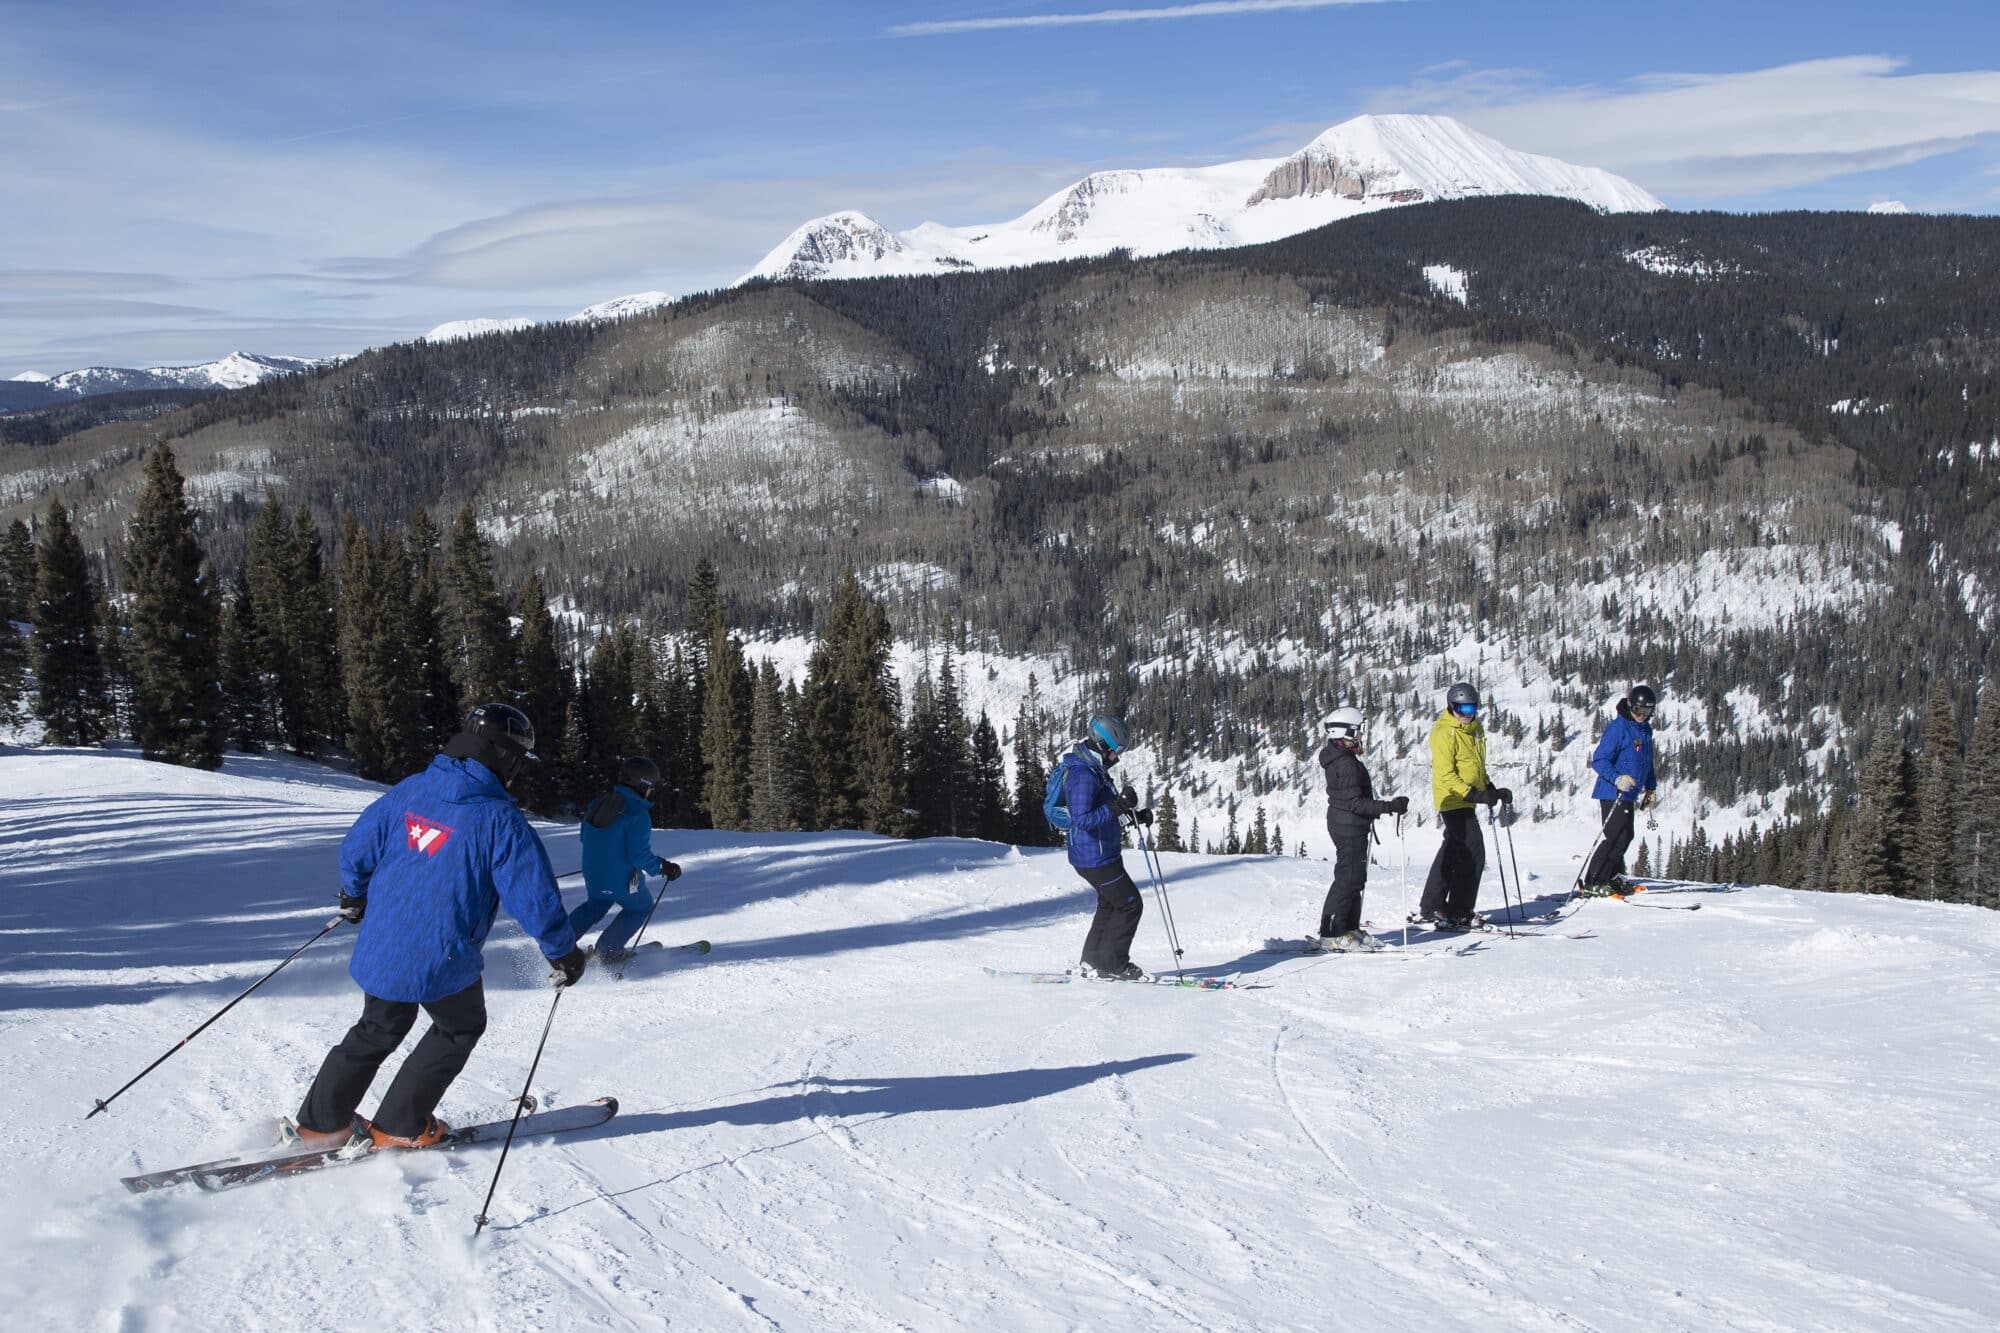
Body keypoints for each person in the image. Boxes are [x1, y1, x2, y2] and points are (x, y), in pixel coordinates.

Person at [288, 703, 585, 1151]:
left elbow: (357, 848)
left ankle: (320, 1125)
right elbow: (535, 897)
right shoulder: (498, 819)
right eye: (518, 759)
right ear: (502, 756)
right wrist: (563, 951)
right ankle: (398, 1127)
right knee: (459, 1028)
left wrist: (354, 894)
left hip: (383, 942)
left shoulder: (411, 791)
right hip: (441, 954)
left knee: (377, 1027)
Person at [1055, 713, 1153, 980]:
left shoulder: (1095, 769)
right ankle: (1113, 963)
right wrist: (1117, 806)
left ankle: (1092, 962)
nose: (1118, 756)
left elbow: (1104, 813)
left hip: (1099, 853)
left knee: (1110, 904)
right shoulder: (1083, 774)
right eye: (1117, 750)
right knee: (1130, 904)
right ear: (1103, 744)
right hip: (1094, 858)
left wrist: (1134, 816)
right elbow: (1083, 819)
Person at [1416, 683, 1513, 931]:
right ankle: (1459, 911)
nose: (1466, 713)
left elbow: (1476, 765)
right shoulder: (1444, 734)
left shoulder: (1473, 730)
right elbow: (1446, 775)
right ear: (1451, 707)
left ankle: (1432, 905)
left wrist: (1489, 787)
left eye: (1471, 707)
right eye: (1461, 708)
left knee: (1452, 849)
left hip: (1467, 798)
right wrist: (1475, 795)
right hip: (1452, 799)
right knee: (1473, 852)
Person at [568, 756, 683, 963]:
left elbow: (585, 837)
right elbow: (639, 857)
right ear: (644, 785)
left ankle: (560, 944)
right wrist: (664, 867)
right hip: (622, 880)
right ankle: (608, 950)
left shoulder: (597, 803)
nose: (652, 792)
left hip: (593, 874)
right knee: (641, 907)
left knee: (595, 905)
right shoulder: (638, 814)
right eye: (652, 787)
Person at [1315, 706, 1409, 950]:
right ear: (1345, 733)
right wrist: (1389, 806)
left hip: (1350, 824)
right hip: (1348, 825)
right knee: (1347, 879)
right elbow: (1356, 803)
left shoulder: (1343, 759)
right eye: (1357, 732)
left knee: (1356, 879)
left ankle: (1349, 926)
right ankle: (1332, 933)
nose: (1359, 738)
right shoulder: (1345, 764)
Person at [1578, 685, 1660, 895]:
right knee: (1614, 836)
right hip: (1612, 792)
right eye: (1638, 711)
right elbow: (1599, 760)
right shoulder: (1618, 728)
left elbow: (1646, 761)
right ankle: (1594, 881)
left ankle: (1612, 878)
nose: (1642, 716)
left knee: (1626, 836)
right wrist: (1617, 779)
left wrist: (1650, 788)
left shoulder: (1644, 730)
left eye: (1647, 711)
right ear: (1630, 706)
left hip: (1629, 793)